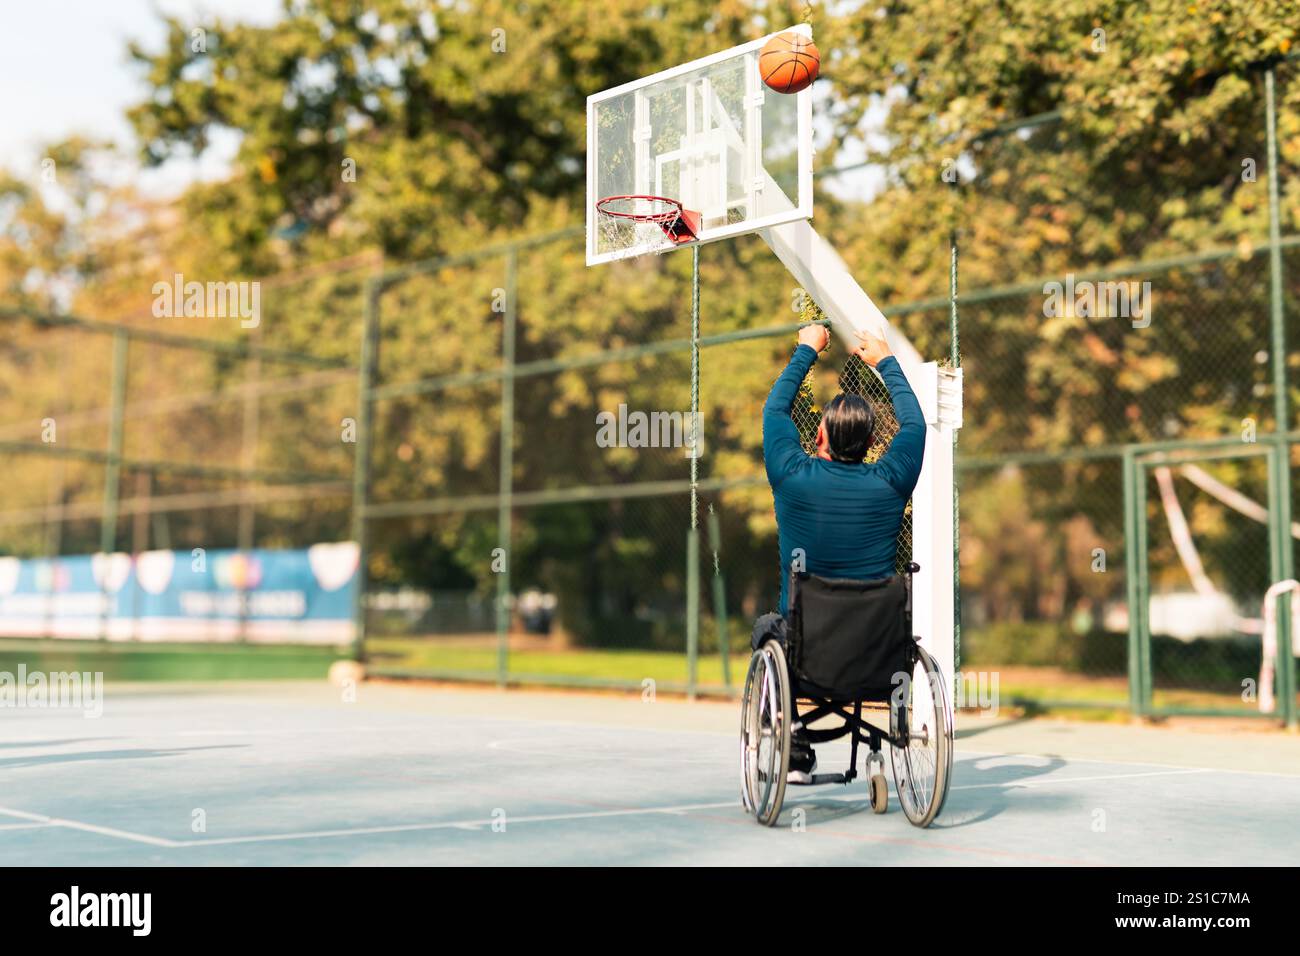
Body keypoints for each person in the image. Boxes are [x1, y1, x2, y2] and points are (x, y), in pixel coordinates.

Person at [755, 321, 925, 782]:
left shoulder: (792, 474)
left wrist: (807, 349)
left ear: (819, 439)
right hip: (877, 652)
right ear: (873, 445)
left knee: (767, 627)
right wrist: (886, 360)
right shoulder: (890, 482)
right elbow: (915, 422)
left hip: (804, 655)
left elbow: (775, 412)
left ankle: (792, 737)